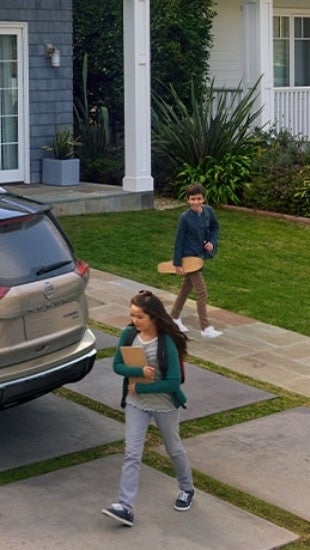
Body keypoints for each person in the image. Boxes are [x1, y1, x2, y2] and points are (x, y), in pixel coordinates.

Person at [102, 290, 195, 527]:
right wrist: (138, 373)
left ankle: (187, 488)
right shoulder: (128, 334)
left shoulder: (167, 342)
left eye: (139, 316)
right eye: (132, 315)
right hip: (136, 405)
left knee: (173, 450)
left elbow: (173, 382)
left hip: (164, 406)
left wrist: (143, 387)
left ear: (153, 316)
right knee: (132, 453)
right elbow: (117, 365)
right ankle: (125, 506)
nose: (134, 320)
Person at [170, 183, 222, 339]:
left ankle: (173, 317)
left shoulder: (208, 212)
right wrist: (177, 263)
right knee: (202, 291)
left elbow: (215, 227)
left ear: (203, 199)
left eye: (198, 199)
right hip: (188, 258)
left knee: (186, 289)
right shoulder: (185, 218)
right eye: (192, 199)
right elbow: (178, 241)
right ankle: (205, 327)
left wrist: (211, 242)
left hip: (199, 257)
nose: (195, 202)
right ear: (188, 200)